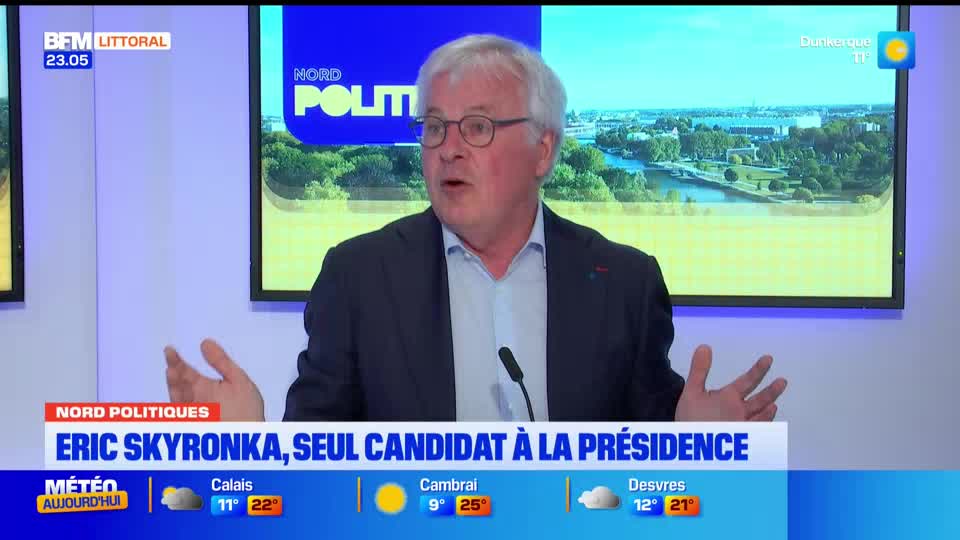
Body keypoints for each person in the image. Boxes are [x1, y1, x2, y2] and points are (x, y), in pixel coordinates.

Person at [164, 34, 787, 422]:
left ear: (543, 150)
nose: (449, 148)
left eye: (479, 127)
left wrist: (693, 443)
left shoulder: (625, 281)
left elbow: (647, 465)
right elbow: (321, 464)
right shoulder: (358, 277)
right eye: (435, 127)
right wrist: (247, 446)